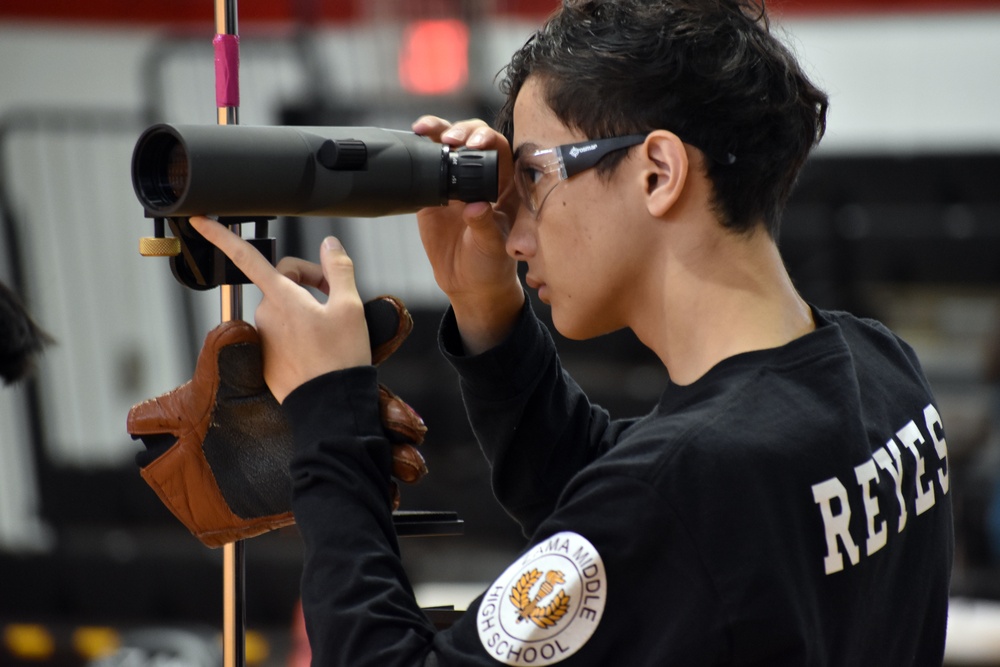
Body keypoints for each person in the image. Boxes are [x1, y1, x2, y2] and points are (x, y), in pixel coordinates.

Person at [191, 0, 954, 664]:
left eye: (534, 176)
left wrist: (329, 413)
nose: (515, 228)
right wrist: (490, 310)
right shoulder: (884, 373)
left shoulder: (680, 488)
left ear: (657, 171)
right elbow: (626, 514)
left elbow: (649, 511)